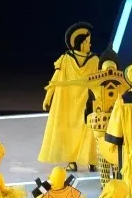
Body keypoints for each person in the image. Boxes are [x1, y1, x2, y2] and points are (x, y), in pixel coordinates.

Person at [38, 22, 99, 170]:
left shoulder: (89, 59)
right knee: (84, 130)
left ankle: (86, 161)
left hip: (78, 102)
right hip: (73, 102)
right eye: (88, 42)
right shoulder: (69, 59)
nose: (90, 44)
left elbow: (55, 79)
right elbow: (56, 79)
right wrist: (48, 97)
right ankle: (84, 161)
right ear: (82, 43)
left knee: (83, 130)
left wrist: (48, 97)